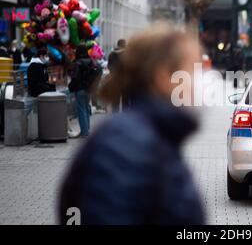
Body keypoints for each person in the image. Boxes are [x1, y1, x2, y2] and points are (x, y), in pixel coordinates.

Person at [59, 25, 205, 225]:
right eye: (192, 71)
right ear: (162, 75)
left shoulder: (156, 135)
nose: (199, 82)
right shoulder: (124, 145)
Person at [69, 45, 95, 137]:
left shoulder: (78, 63)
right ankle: (86, 130)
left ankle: (84, 132)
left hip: (80, 88)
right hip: (89, 88)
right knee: (86, 108)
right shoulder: (91, 61)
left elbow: (75, 77)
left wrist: (71, 86)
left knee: (81, 109)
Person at [108, 39, 126, 112]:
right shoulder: (128, 53)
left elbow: (109, 65)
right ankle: (126, 116)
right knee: (126, 100)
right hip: (125, 79)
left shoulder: (112, 54)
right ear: (124, 44)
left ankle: (115, 115)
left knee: (115, 99)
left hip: (115, 79)